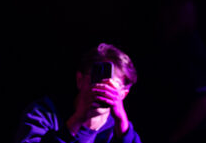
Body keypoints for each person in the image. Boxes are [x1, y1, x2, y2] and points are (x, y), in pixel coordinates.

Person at [14, 43, 142, 143]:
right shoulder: (43, 113)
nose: (102, 88)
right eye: (97, 79)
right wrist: (77, 120)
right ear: (80, 80)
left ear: (123, 94)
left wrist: (121, 121)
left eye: (111, 84)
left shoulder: (121, 131)